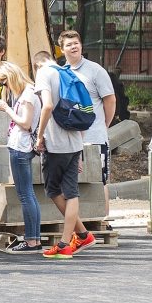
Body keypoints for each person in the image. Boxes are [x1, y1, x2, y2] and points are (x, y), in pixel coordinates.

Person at [33, 50, 97, 259]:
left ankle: (64, 243)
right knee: (71, 192)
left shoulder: (44, 73)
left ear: (37, 65)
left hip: (56, 143)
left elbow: (48, 105)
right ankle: (82, 235)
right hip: (74, 142)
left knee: (53, 190)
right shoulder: (68, 72)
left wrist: (40, 136)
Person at [59, 30, 117, 217]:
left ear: (81, 45)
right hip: (71, 140)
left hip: (94, 138)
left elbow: (110, 100)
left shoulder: (96, 70)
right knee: (72, 182)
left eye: (76, 43)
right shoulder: (61, 73)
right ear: (62, 49)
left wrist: (104, 124)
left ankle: (103, 220)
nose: (73, 47)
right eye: (69, 44)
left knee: (100, 180)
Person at [0, 62, 42, 253]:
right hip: (21, 146)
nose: (5, 86)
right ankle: (34, 239)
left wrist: (7, 109)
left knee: (25, 194)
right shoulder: (28, 92)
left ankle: (31, 240)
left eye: (5, 82)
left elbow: (26, 123)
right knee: (28, 194)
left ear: (11, 77)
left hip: (21, 147)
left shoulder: (28, 94)